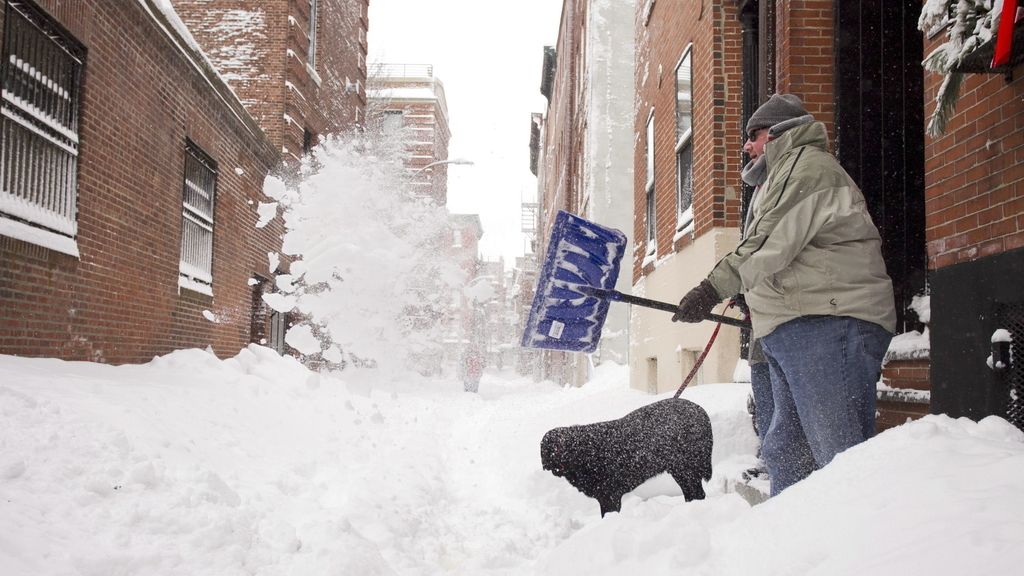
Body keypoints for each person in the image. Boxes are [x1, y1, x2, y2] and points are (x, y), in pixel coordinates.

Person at [672, 94, 896, 496]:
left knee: (838, 454)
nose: (746, 146)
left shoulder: (807, 168)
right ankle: (793, 542)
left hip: (829, 323)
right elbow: (790, 252)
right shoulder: (782, 174)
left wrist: (713, 287)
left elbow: (769, 242)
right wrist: (748, 293)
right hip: (798, 325)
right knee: (787, 449)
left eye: (753, 136)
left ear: (778, 134)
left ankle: (858, 546)